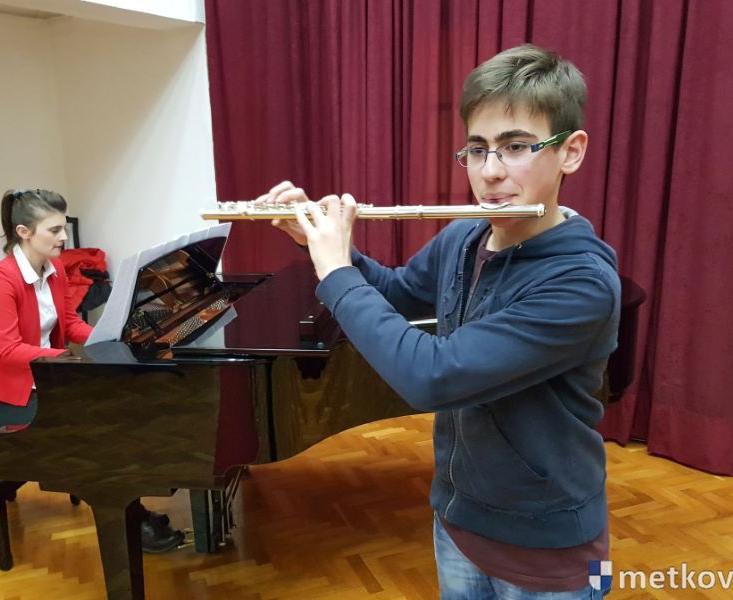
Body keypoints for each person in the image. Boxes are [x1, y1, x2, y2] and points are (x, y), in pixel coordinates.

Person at [258, 44, 620, 598]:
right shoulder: (464, 237)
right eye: (477, 150)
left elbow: (434, 377)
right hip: (456, 519)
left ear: (570, 151)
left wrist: (336, 272)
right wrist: (320, 244)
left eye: (515, 147)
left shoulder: (582, 283)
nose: (490, 172)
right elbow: (399, 293)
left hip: (549, 546)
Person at [0, 188, 184, 553]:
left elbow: (70, 324)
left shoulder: (53, 270)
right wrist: (65, 358)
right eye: (54, 230)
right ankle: (131, 521)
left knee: (116, 410)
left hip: (46, 381)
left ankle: (131, 509)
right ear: (24, 232)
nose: (63, 237)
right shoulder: (0, 279)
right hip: (2, 398)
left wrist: (112, 335)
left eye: (63, 228)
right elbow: (6, 350)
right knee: (93, 430)